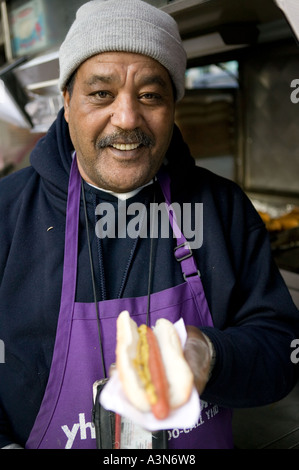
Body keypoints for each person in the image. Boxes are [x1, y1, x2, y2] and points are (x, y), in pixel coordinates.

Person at [0, 0, 298, 450]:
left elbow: (283, 353)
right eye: (101, 93)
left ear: (174, 104)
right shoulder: (7, 213)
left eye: (150, 95)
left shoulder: (223, 209)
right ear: (66, 100)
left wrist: (211, 354)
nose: (126, 119)